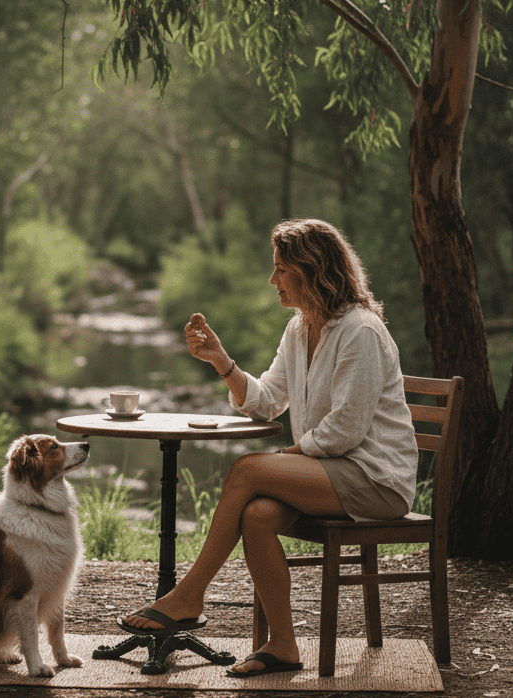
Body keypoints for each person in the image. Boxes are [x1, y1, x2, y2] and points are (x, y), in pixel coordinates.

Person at [117, 218, 419, 678]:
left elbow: (346, 431)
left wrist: (283, 459)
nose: (272, 279)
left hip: (375, 480)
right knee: (256, 515)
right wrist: (222, 361)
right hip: (332, 473)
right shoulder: (299, 329)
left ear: (311, 270)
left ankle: (189, 595)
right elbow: (265, 403)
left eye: (281, 270)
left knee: (247, 470)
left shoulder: (361, 331)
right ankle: (281, 645)